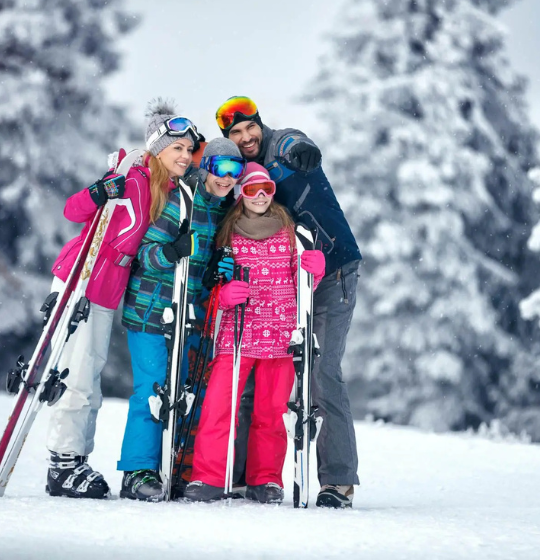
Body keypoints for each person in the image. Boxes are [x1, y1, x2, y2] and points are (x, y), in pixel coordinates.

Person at [44, 101, 201, 499]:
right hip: (81, 278)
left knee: (90, 377)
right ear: (157, 148)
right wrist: (99, 191)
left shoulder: (171, 191)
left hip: (109, 291)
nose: (184, 155)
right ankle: (62, 464)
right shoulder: (131, 177)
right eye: (175, 148)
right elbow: (73, 210)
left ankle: (75, 459)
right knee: (76, 375)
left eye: (188, 148)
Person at [213, 96, 362, 508]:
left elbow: (293, 142)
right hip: (279, 283)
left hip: (331, 275)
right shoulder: (243, 175)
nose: (245, 138)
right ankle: (246, 474)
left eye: (250, 128)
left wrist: (301, 149)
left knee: (321, 372)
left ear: (261, 125)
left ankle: (337, 481)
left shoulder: (281, 147)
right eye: (236, 133)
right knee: (254, 373)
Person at [183, 163, 326, 504]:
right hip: (237, 333)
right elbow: (215, 280)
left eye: (266, 190)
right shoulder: (228, 233)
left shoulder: (290, 231)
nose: (260, 197)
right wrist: (224, 294)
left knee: (271, 412)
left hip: (279, 335)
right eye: (251, 190)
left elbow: (302, 282)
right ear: (240, 194)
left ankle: (266, 479)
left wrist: (314, 273)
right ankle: (209, 476)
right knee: (219, 405)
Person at [117, 136, 245, 501]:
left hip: (187, 314)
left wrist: (211, 274)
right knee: (154, 388)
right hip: (150, 311)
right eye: (220, 169)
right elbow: (146, 253)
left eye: (234, 171)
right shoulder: (181, 201)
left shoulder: (222, 211)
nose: (227, 178)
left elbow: (203, 268)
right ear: (207, 168)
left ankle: (171, 468)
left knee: (184, 390)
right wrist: (173, 250)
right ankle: (136, 471)